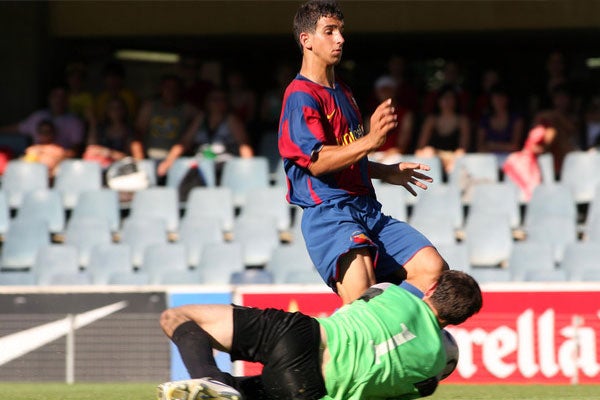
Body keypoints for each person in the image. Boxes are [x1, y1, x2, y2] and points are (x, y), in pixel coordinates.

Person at [277, 0, 447, 305]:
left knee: (434, 272)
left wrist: (385, 171)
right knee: (365, 302)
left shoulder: (343, 91)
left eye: (341, 31)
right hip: (330, 212)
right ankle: (363, 328)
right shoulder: (300, 96)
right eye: (330, 31)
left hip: (367, 210)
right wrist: (371, 140)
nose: (340, 39)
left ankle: (392, 323)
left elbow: (347, 155)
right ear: (306, 40)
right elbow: (318, 162)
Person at [157, 270, 483, 400]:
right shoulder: (432, 371)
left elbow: (357, 298)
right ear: (458, 320)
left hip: (302, 337)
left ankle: (211, 379)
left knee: (178, 317)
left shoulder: (392, 292)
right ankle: (223, 388)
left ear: (432, 288)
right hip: (313, 391)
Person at [131, 74, 200, 178]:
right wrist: (141, 161)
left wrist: (169, 162)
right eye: (167, 87)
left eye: (174, 88)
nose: (170, 91)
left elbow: (201, 119)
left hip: (176, 161)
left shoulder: (187, 109)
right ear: (161, 88)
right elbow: (137, 133)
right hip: (149, 158)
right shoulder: (150, 106)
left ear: (180, 90)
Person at [0, 85, 86, 156]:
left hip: (62, 163)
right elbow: (18, 128)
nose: (58, 100)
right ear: (49, 98)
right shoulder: (39, 116)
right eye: (55, 96)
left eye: (62, 97)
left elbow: (76, 150)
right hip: (36, 160)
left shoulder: (74, 121)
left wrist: (57, 155)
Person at [416, 84, 471, 175]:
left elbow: (463, 148)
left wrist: (451, 160)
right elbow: (420, 147)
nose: (447, 101)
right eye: (444, 98)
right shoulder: (431, 120)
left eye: (450, 98)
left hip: (455, 160)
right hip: (434, 159)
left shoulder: (462, 121)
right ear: (438, 100)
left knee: (460, 156)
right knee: (428, 151)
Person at [367, 75, 414, 164]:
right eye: (382, 90)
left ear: (394, 91)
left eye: (388, 90)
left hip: (396, 156)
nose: (385, 93)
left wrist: (395, 151)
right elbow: (369, 141)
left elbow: (402, 143)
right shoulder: (372, 115)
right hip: (375, 155)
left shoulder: (405, 114)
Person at [476, 84, 524, 166]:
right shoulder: (485, 120)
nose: (498, 101)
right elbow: (480, 147)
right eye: (495, 98)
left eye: (501, 97)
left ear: (507, 99)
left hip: (511, 163)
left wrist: (492, 145)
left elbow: (515, 146)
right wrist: (505, 146)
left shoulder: (516, 119)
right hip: (488, 162)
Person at [83, 97, 134, 168]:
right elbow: (91, 147)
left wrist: (108, 152)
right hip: (101, 166)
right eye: (112, 108)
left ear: (124, 110)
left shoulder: (130, 131)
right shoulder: (102, 129)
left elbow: (131, 158)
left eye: (118, 108)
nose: (115, 111)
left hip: (122, 168)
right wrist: (93, 122)